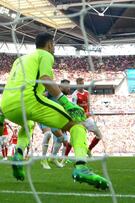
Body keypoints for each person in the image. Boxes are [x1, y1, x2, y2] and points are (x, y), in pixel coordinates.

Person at [0, 32, 108, 189]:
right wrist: (65, 102)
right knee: (77, 124)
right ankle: (81, 166)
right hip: (29, 100)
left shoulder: (20, 60)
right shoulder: (45, 55)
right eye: (54, 45)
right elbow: (45, 78)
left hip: (8, 105)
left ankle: (18, 153)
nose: (54, 48)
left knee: (28, 125)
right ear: (49, 44)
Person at [70, 77, 103, 157]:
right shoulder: (75, 95)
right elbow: (73, 108)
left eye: (82, 84)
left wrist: (89, 113)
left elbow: (88, 105)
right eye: (79, 84)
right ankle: (68, 155)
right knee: (75, 139)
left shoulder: (87, 93)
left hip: (87, 119)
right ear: (77, 84)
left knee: (99, 135)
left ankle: (89, 150)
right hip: (79, 120)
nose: (81, 85)